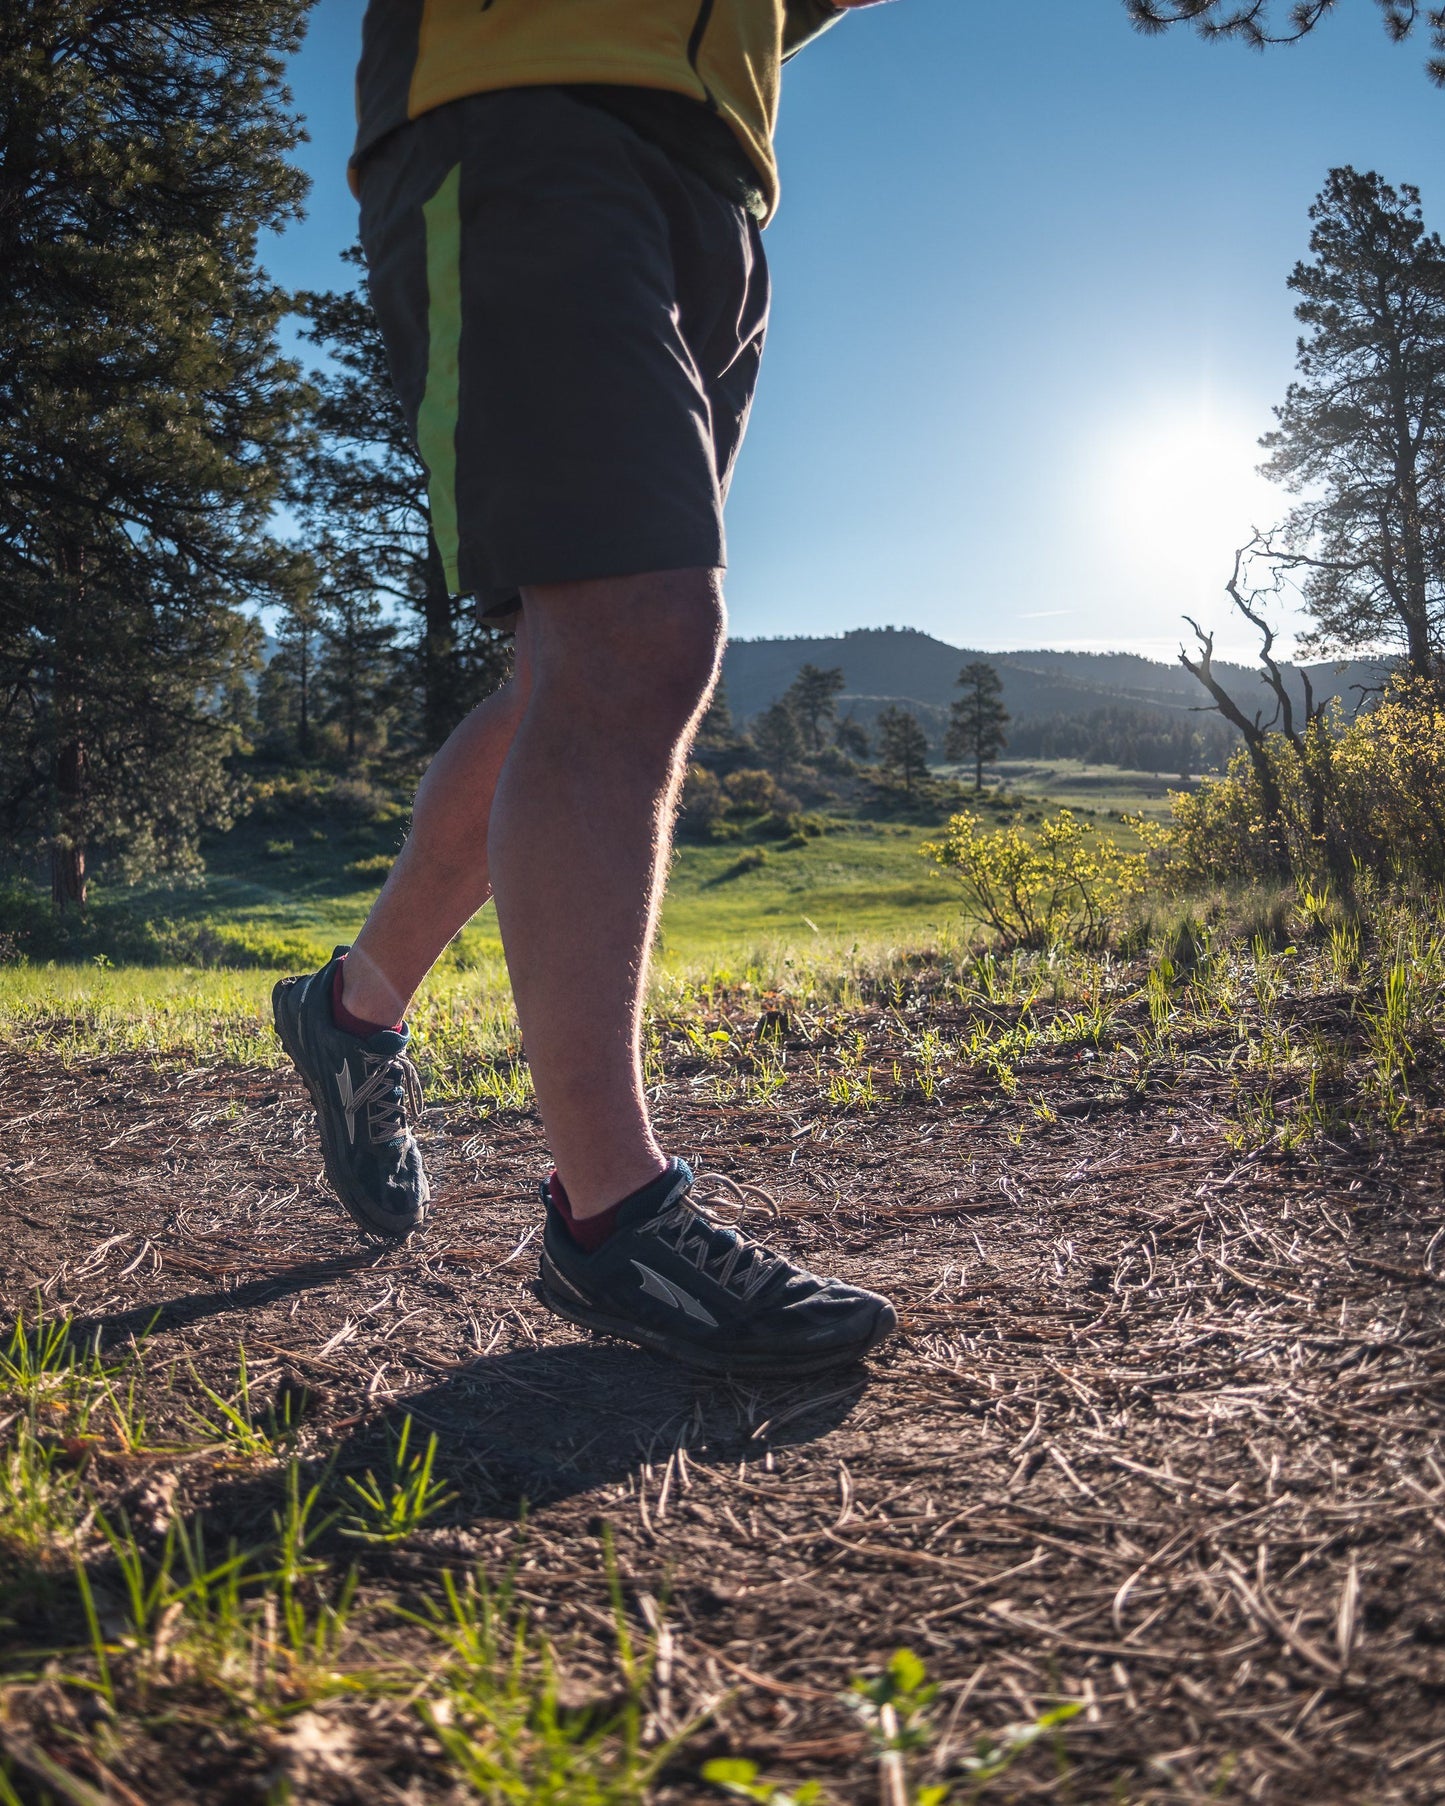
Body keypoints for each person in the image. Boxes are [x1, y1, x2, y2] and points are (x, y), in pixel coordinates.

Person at [273, 0, 898, 1377]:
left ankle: (354, 1008)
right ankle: (608, 1213)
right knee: (637, 633)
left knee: (577, 661)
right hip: (514, 104)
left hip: (715, 177)